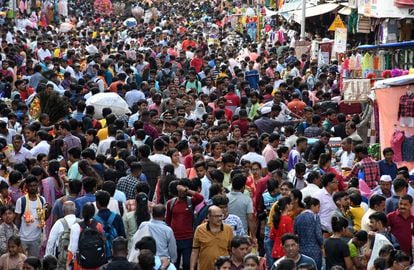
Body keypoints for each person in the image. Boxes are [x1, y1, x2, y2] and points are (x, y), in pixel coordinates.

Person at [166, 180, 204, 270]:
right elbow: (168, 220)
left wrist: (186, 190)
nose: (182, 193)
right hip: (174, 239)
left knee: (187, 264)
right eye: (180, 190)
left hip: (188, 238)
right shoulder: (170, 203)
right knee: (175, 264)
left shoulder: (191, 201)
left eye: (184, 191)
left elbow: (200, 197)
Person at [15, 174, 51, 257]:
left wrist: (49, 210)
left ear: (37, 186)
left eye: (35, 185)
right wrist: (17, 235)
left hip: (36, 238)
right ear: (27, 186)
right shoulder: (21, 201)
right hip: (22, 238)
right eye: (31, 186)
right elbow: (17, 219)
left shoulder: (42, 200)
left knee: (33, 262)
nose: (33, 188)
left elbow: (44, 218)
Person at [190, 205, 233, 270]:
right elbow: (195, 251)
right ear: (208, 216)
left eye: (221, 216)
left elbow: (231, 250)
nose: (219, 218)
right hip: (204, 267)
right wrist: (192, 268)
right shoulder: (200, 229)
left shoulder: (228, 229)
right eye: (216, 216)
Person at [67, 203, 104, 270]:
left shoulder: (76, 227)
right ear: (93, 213)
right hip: (96, 263)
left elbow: (73, 249)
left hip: (81, 264)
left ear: (82, 213)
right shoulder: (98, 226)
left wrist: (69, 264)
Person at [93, 190, 126, 259]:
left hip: (100, 254)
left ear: (97, 203)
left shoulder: (94, 220)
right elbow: (122, 235)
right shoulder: (117, 217)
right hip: (116, 252)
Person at [294, 197, 323, 269]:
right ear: (313, 206)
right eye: (318, 207)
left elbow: (295, 233)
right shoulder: (315, 217)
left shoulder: (298, 217)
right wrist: (322, 246)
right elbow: (318, 234)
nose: (319, 210)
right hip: (314, 250)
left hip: (301, 250)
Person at [226, 174, 256, 239]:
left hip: (226, 232)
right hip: (242, 233)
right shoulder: (247, 200)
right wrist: (253, 236)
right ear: (243, 187)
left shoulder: (225, 197)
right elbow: (250, 219)